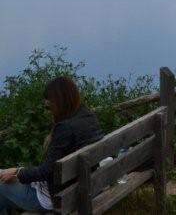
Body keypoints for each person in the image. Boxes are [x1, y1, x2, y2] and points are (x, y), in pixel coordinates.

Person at [1, 77, 104, 214]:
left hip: (55, 198)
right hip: (80, 188)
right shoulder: (88, 116)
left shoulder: (65, 128)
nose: (48, 109)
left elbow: (45, 171)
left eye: (49, 104)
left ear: (59, 101)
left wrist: (17, 171)